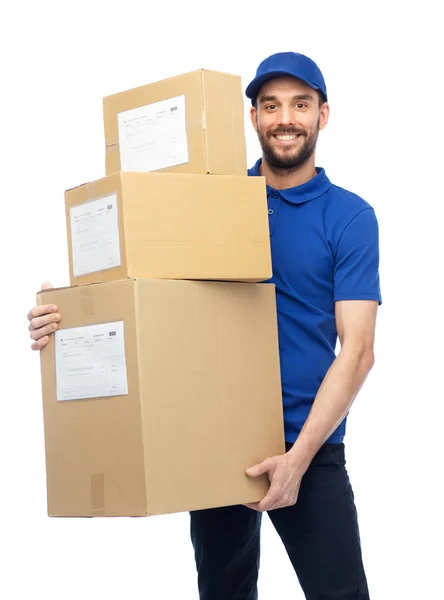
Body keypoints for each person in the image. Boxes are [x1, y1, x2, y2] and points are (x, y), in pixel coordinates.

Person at [27, 52, 381, 600]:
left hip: (307, 444)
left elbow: (357, 350)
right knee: (223, 593)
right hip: (217, 438)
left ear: (323, 115)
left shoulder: (350, 216)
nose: (285, 117)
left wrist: (297, 461)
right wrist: (66, 316)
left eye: (300, 104)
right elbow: (144, 291)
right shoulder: (208, 203)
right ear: (253, 119)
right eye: (271, 105)